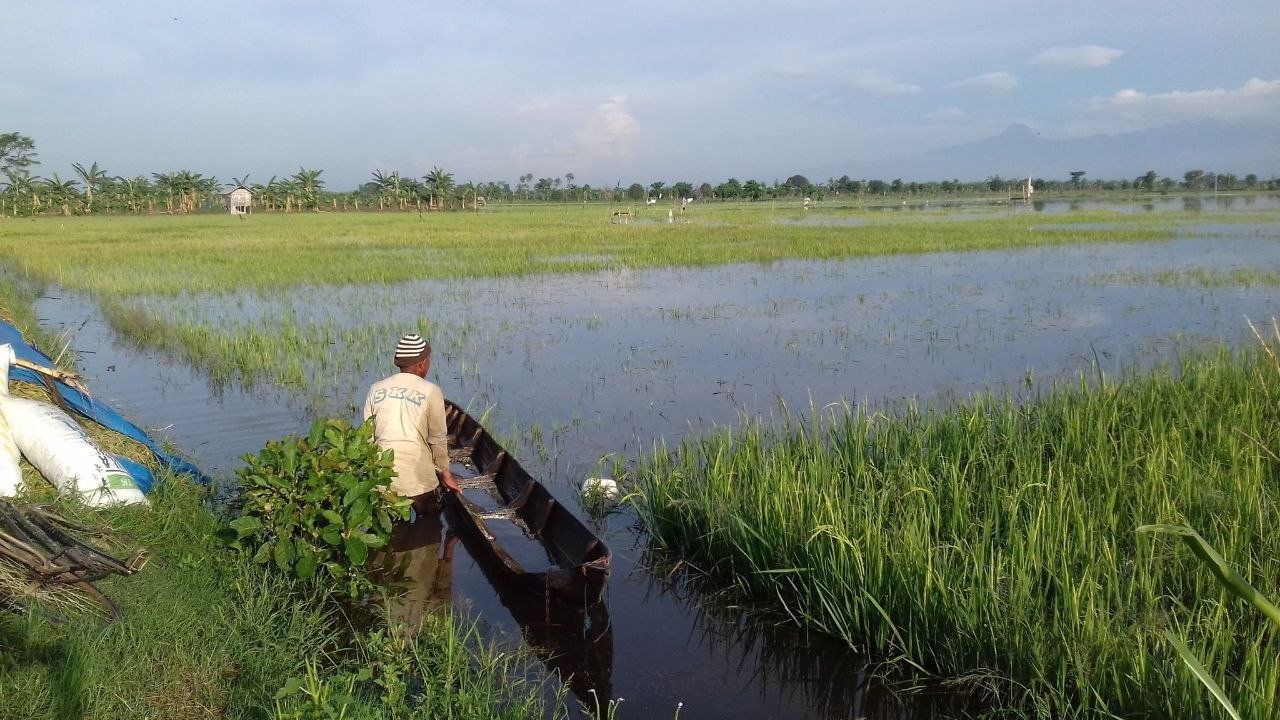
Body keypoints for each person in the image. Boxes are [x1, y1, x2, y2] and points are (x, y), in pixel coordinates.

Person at [362, 333, 459, 513]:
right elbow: (437, 439)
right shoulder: (431, 391)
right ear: (422, 364)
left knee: (390, 530)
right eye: (428, 360)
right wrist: (446, 475)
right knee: (429, 525)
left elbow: (366, 438)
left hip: (383, 478)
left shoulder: (376, 389)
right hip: (418, 479)